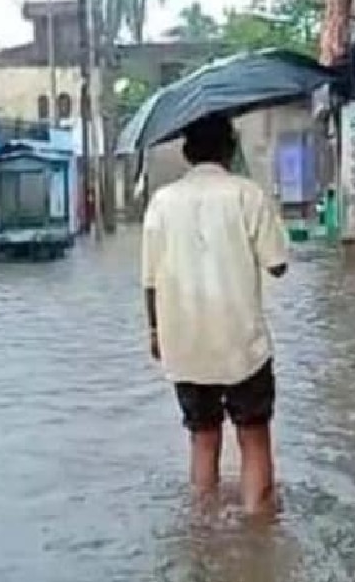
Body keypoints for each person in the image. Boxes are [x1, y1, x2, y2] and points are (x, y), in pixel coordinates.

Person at [140, 113, 289, 516]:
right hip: (242, 343)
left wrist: (155, 332)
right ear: (230, 148)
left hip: (185, 342)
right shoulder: (247, 195)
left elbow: (150, 281)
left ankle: (204, 529)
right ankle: (258, 531)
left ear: (187, 152)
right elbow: (278, 265)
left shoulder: (162, 202)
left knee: (203, 438)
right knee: (253, 437)